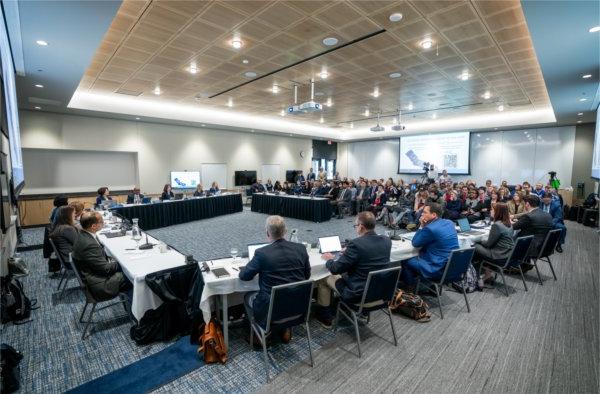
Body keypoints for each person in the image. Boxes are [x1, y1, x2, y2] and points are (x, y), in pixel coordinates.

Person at [239, 216, 310, 342]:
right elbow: (307, 276)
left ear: (267, 233)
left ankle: (259, 336)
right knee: (286, 294)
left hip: (271, 312)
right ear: (285, 231)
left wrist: (246, 267)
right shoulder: (301, 249)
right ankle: (285, 328)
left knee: (247, 296)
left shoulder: (262, 253)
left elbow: (245, 276)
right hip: (298, 308)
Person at [315, 212, 391, 327]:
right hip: (381, 293)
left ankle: (325, 317)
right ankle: (364, 312)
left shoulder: (356, 244)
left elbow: (335, 269)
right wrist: (349, 253)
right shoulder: (386, 240)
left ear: (361, 226)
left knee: (324, 277)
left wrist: (329, 259)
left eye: (355, 226)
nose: (356, 228)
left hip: (357, 295)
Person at [72, 212, 132, 301]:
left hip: (94, 274)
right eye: (101, 222)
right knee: (133, 276)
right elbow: (106, 269)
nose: (103, 223)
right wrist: (123, 261)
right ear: (93, 226)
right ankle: (141, 312)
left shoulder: (84, 234)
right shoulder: (89, 244)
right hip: (100, 285)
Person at [400, 203, 459, 287]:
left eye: (424, 212)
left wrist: (421, 226)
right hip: (451, 267)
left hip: (437, 268)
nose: (422, 214)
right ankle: (422, 283)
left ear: (434, 214)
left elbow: (415, 243)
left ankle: (411, 287)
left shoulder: (430, 229)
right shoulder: (449, 222)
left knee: (404, 259)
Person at [472, 203, 515, 283]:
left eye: (492, 210)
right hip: (507, 254)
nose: (490, 211)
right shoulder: (509, 223)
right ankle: (487, 274)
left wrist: (480, 241)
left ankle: (474, 275)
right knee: (480, 247)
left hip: (498, 255)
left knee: (473, 245)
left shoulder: (497, 225)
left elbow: (488, 244)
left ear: (497, 212)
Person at [512, 195, 553, 270]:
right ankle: (524, 264)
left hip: (530, 247)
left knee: (505, 240)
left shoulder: (529, 216)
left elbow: (513, 227)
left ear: (527, 204)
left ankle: (511, 265)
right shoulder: (548, 215)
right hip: (544, 246)